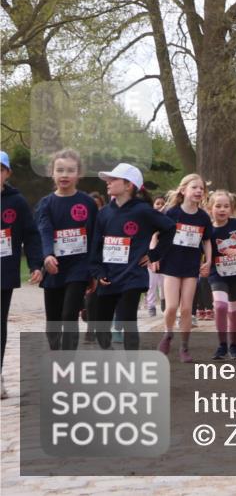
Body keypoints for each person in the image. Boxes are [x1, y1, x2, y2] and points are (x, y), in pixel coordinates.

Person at [89, 163, 176, 351]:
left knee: (129, 322)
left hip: (132, 276)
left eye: (114, 179)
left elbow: (170, 228)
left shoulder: (142, 211)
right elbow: (95, 245)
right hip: (108, 277)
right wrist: (98, 272)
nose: (108, 182)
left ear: (128, 185)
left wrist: (154, 254)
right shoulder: (104, 213)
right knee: (101, 328)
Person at [33, 148, 99, 351]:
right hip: (54, 267)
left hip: (79, 268)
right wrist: (47, 256)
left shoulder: (88, 203)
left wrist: (94, 271)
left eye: (70, 170)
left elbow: (95, 237)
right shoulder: (46, 203)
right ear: (52, 173)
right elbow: (44, 230)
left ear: (79, 174)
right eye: (60, 170)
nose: (64, 175)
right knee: (53, 320)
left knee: (69, 314)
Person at [154, 174, 212, 362]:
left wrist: (208, 261)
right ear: (183, 190)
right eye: (194, 187)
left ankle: (184, 347)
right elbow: (155, 233)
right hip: (171, 264)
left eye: (201, 188)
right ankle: (168, 333)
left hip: (191, 266)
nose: (198, 191)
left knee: (187, 309)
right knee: (171, 307)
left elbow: (207, 240)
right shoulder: (172, 212)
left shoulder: (203, 217)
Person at [1, 151, 43, 398]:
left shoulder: (17, 202)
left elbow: (31, 234)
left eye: (0, 169)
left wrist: (36, 264)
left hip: (3, 271)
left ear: (7, 173)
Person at [206, 189, 236, 360]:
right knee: (220, 306)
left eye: (226, 206)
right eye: (218, 206)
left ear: (231, 208)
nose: (222, 209)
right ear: (210, 208)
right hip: (217, 273)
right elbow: (203, 249)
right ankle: (222, 345)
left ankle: (234, 346)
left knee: (234, 311)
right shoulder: (208, 229)